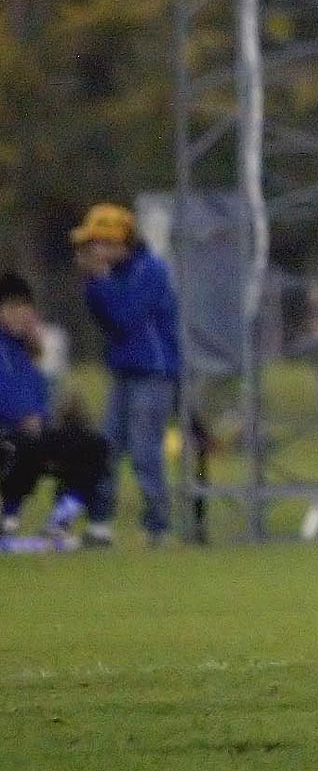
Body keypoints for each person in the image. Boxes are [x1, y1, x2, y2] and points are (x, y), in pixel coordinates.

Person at [71, 203, 181, 547]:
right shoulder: (111, 275)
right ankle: (100, 524)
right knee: (107, 449)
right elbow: (104, 318)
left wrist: (99, 280)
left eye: (100, 243)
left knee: (145, 452)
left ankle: (158, 528)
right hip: (123, 371)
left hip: (152, 373)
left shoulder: (151, 270)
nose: (94, 251)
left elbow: (126, 317)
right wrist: (94, 282)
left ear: (121, 242)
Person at [0, 271, 107, 547]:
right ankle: (8, 520)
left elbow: (36, 398)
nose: (20, 316)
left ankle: (60, 521)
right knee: (21, 445)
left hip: (31, 432)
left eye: (25, 309)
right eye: (12, 308)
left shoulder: (24, 351)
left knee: (92, 446)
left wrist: (56, 413)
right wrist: (22, 417)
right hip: (10, 433)